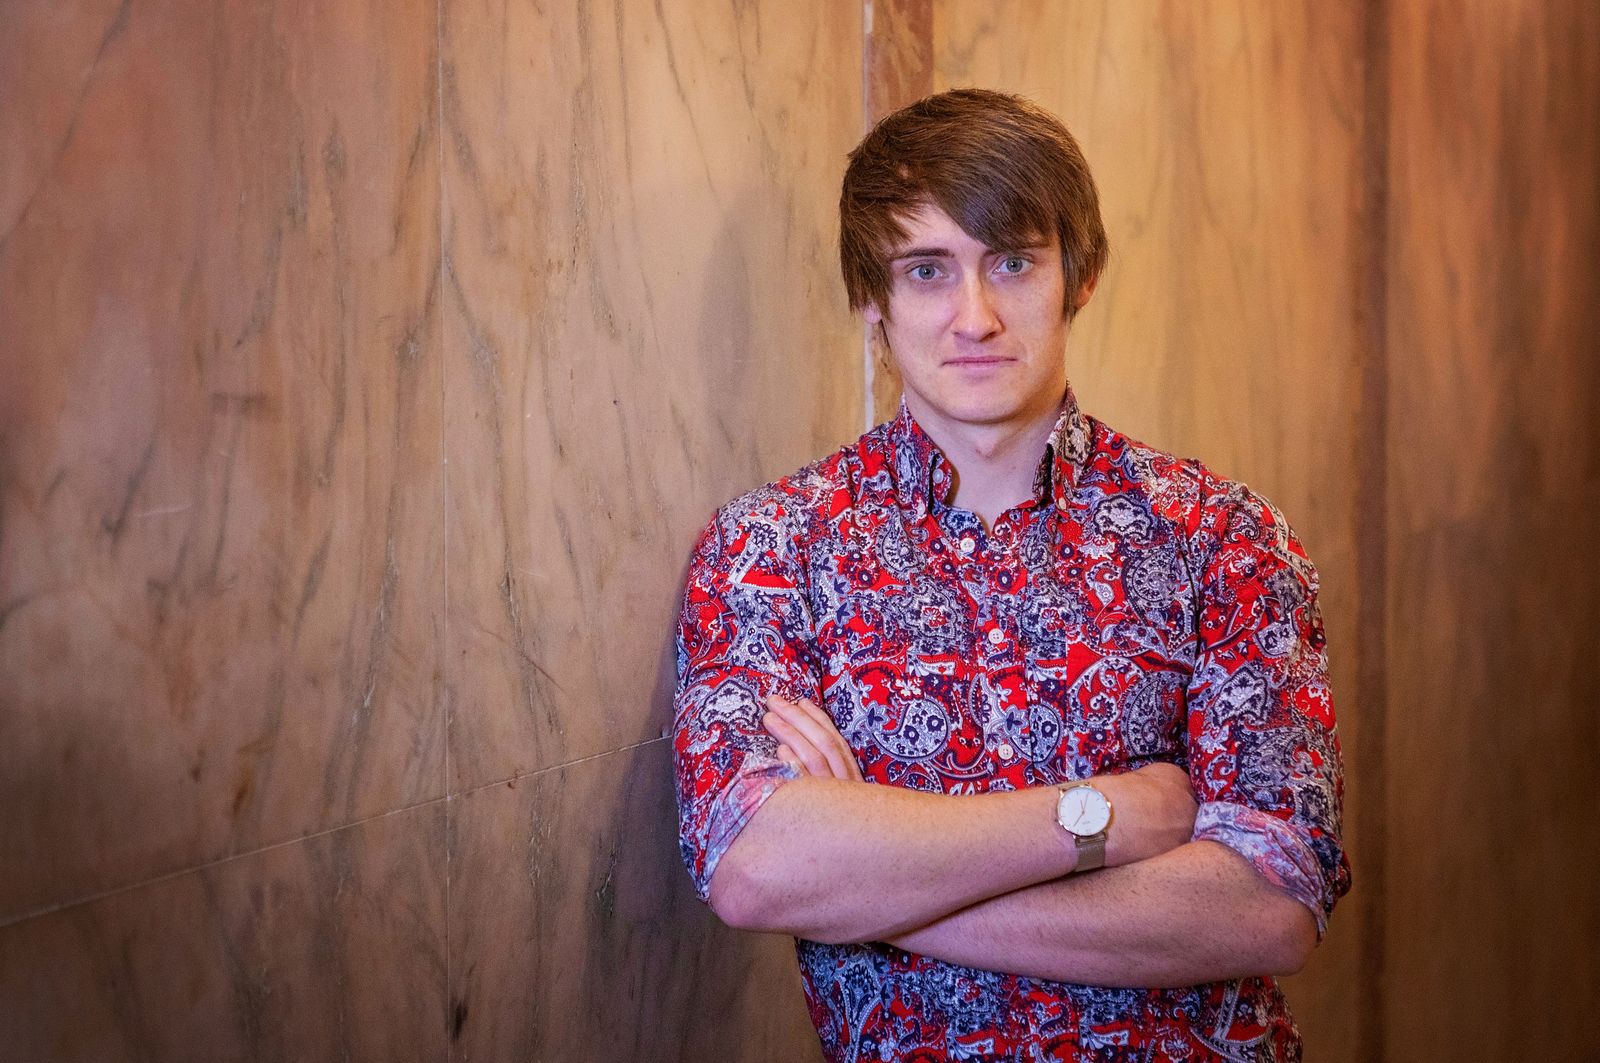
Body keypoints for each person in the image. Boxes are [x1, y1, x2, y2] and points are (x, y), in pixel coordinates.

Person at [672, 88, 1349, 1062]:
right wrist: (1101, 819)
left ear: (1080, 276)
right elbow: (753, 869)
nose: (975, 317)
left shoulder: (1224, 538)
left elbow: (1271, 904)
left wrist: (871, 890)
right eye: (926, 271)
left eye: (1014, 262)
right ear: (870, 298)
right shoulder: (772, 551)